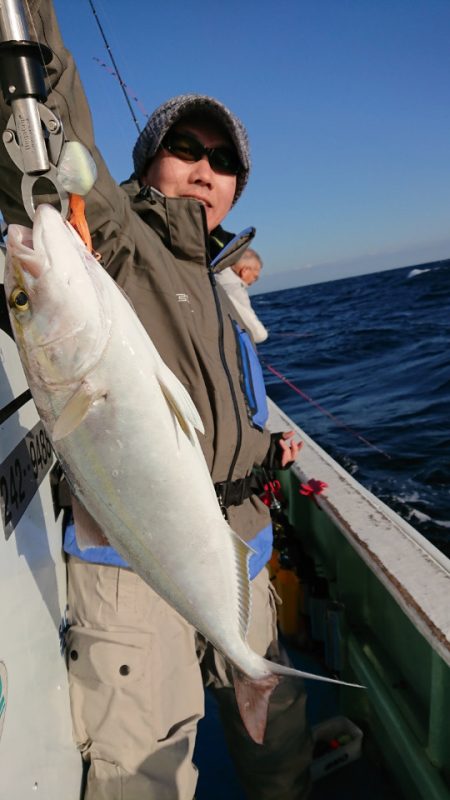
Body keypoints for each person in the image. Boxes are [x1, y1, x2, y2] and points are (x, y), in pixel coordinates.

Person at [0, 3, 312, 799]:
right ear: (144, 166)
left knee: (279, 747)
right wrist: (30, 21)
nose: (206, 167)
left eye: (223, 158)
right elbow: (50, 137)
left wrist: (263, 450)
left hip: (239, 548)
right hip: (134, 570)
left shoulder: (218, 275)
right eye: (185, 147)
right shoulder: (114, 242)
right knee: (144, 773)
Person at [216, 248, 269, 343]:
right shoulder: (235, 288)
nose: (253, 281)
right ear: (245, 271)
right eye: (255, 277)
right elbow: (258, 334)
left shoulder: (215, 276)